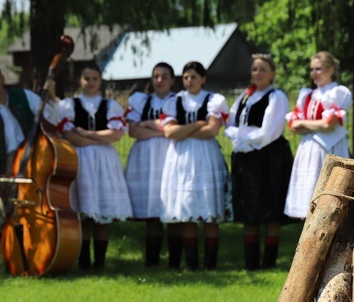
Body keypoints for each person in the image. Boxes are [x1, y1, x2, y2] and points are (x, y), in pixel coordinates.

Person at [57, 61, 132, 270]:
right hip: (80, 160)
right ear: (79, 80)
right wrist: (98, 138)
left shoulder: (110, 106)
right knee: (84, 212)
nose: (90, 83)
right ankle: (83, 261)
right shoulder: (68, 105)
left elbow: (116, 135)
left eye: (94, 79)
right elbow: (71, 136)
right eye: (86, 78)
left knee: (102, 214)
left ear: (100, 80)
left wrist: (87, 134)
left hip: (105, 162)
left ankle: (100, 261)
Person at [0, 59, 59, 234]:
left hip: (35, 161)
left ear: (2, 79)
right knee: (8, 218)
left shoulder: (25, 97)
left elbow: (52, 119)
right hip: (6, 168)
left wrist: (53, 97)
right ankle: (12, 256)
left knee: (38, 213)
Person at [159, 61, 231, 271]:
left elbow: (211, 131)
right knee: (186, 208)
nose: (189, 81)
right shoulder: (175, 101)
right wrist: (197, 124)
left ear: (203, 78)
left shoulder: (213, 100)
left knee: (209, 209)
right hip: (180, 158)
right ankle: (191, 264)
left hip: (206, 156)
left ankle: (210, 263)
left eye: (194, 77)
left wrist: (183, 130)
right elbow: (168, 132)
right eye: (186, 77)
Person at [225, 54, 293, 270]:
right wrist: (242, 138)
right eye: (255, 69)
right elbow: (229, 126)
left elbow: (268, 132)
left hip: (269, 158)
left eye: (263, 69)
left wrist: (243, 137)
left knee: (270, 208)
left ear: (272, 73)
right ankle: (251, 263)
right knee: (248, 210)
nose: (258, 73)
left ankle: (269, 262)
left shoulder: (277, 96)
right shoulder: (245, 96)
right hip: (245, 158)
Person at [284, 51, 352, 219]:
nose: (314, 73)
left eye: (318, 69)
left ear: (330, 70)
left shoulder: (338, 93)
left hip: (330, 146)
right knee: (309, 193)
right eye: (312, 69)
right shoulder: (307, 95)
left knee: (331, 190)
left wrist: (304, 124)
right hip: (308, 148)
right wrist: (313, 125)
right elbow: (295, 127)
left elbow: (329, 125)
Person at [124, 62, 177, 267]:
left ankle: (175, 260)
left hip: (171, 155)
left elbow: (173, 129)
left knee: (172, 207)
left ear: (172, 80)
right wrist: (159, 131)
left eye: (164, 76)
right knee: (152, 208)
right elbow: (133, 131)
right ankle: (152, 260)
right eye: (156, 76)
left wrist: (147, 124)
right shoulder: (141, 101)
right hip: (146, 158)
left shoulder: (177, 101)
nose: (160, 80)